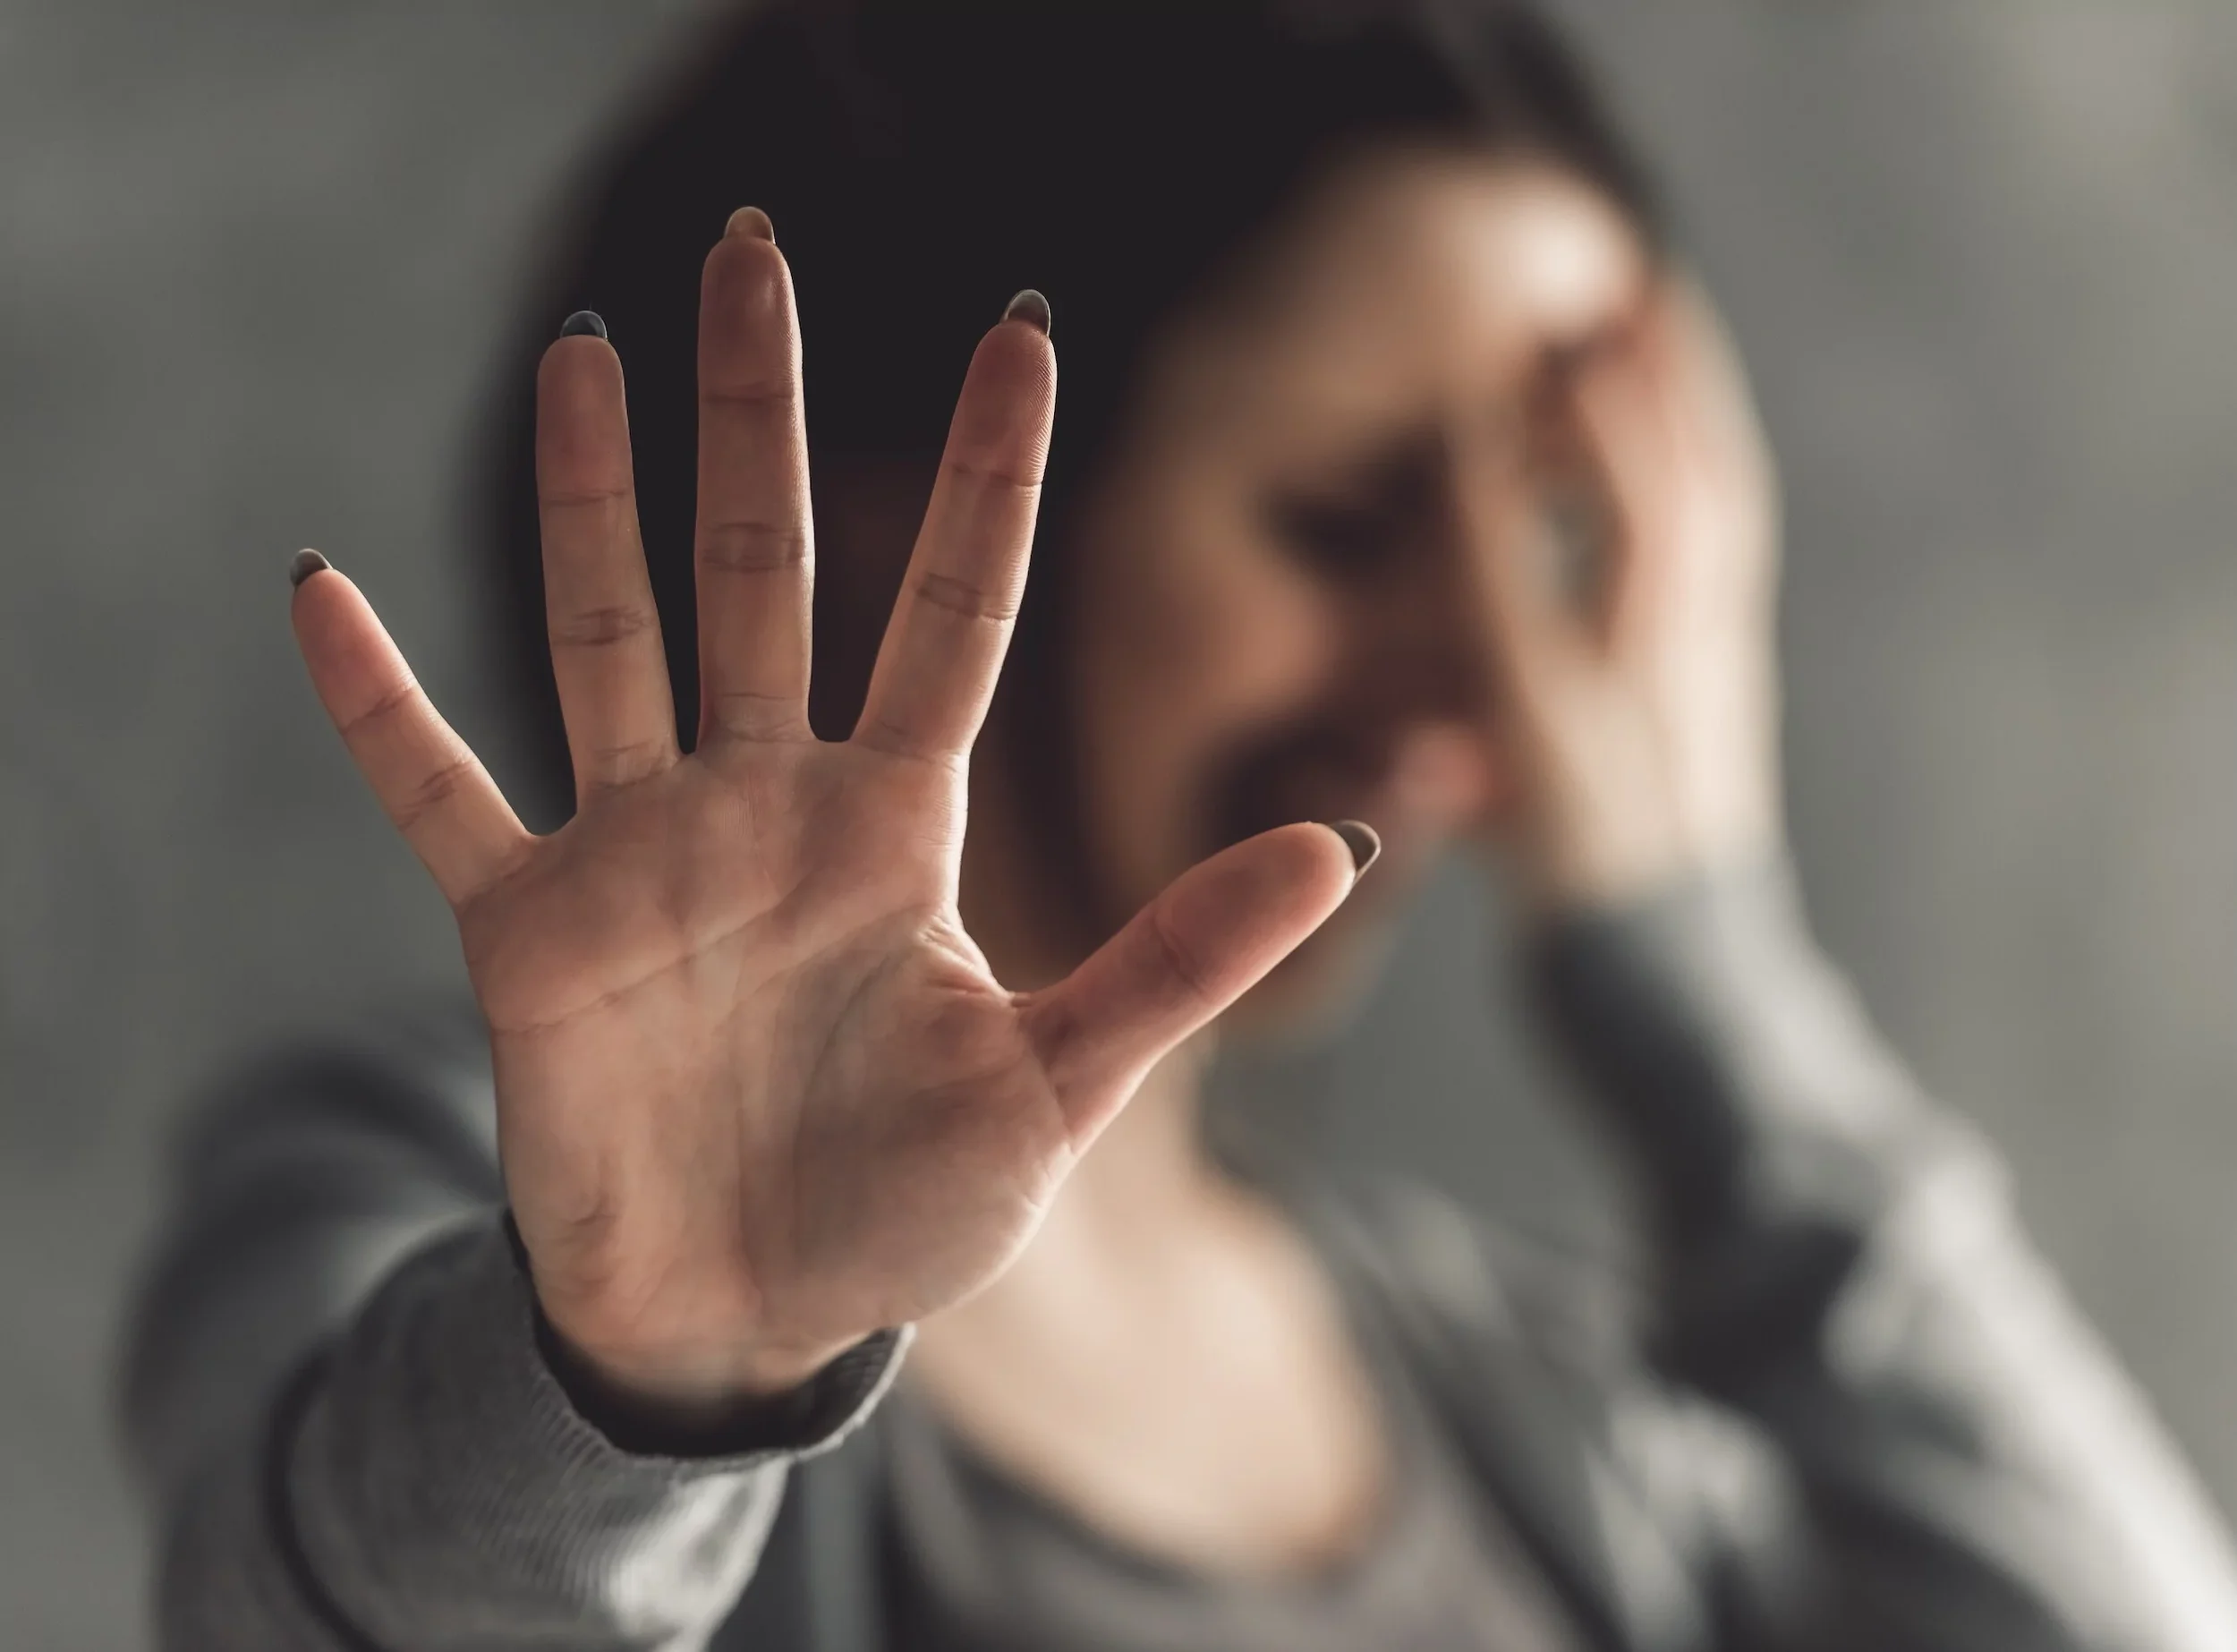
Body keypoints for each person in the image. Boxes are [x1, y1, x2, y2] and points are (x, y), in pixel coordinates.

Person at [121, 3, 2237, 1648]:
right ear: (908, 507)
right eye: (1339, 519)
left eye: (1560, 548)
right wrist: (634, 1378)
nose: (1493, 677)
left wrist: (1710, 973)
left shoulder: (1520, 1398)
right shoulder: (437, 1203)